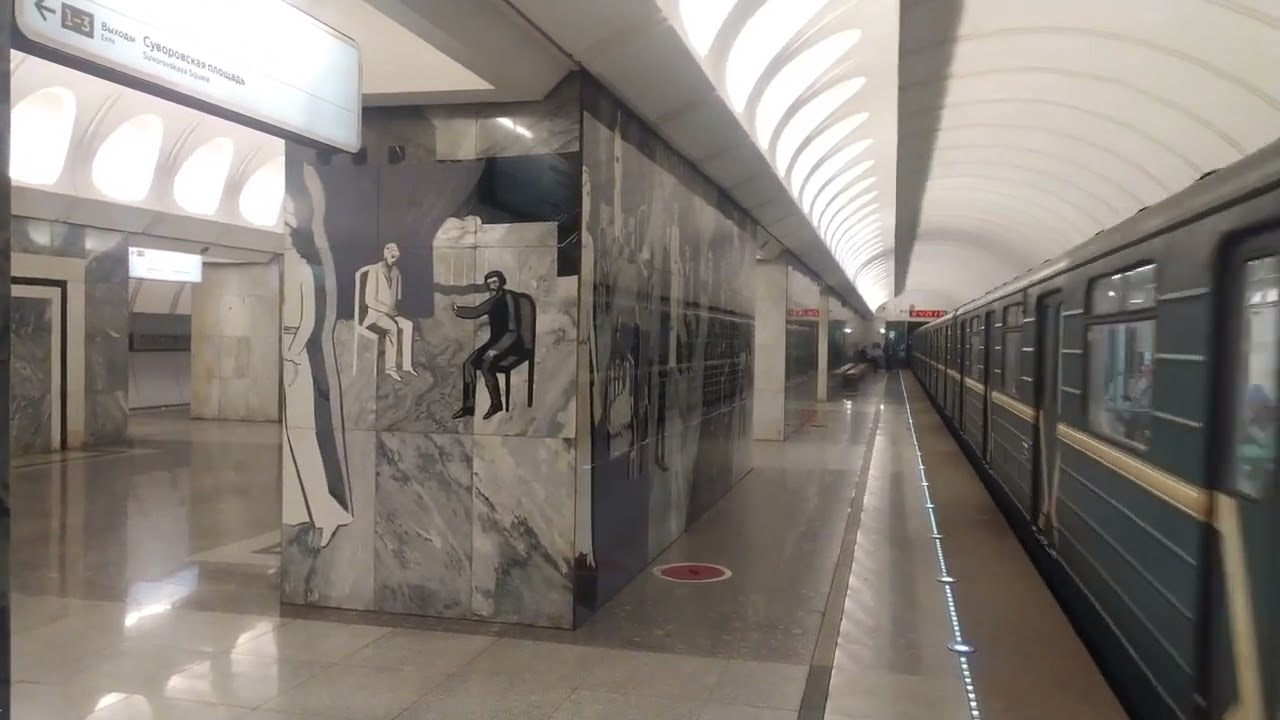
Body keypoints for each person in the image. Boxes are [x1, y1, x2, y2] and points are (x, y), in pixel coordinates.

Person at [452, 270, 526, 420]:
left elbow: (513, 330)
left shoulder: (509, 298)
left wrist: (496, 350)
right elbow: (477, 311)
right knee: (469, 364)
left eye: (495, 282)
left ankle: (496, 403)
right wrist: (458, 310)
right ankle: (468, 406)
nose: (492, 285)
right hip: (495, 341)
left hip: (511, 343)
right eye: (489, 283)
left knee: (487, 364)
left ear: (502, 282)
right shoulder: (493, 299)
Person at [360, 242, 418, 381]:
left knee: (408, 325)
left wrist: (392, 311)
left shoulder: (396, 273)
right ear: (385, 254)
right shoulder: (375, 270)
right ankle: (390, 368)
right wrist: (385, 309)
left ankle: (407, 366)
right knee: (392, 327)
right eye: (391, 254)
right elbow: (369, 300)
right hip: (375, 314)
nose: (393, 258)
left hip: (391, 314)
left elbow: (397, 297)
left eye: (395, 255)